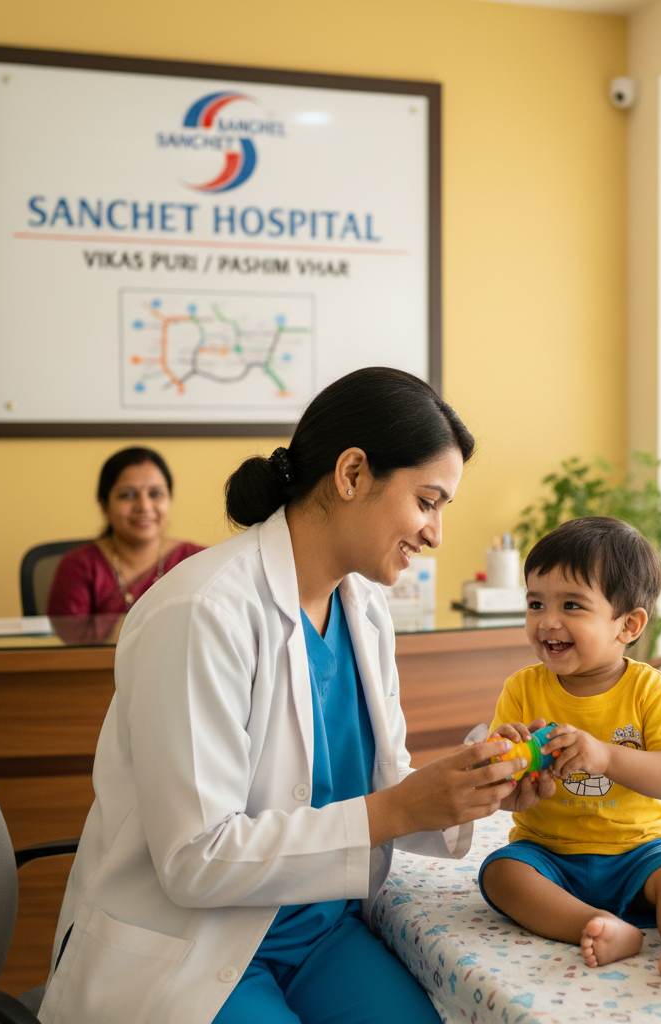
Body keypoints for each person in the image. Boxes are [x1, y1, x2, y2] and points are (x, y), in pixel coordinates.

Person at [39, 368, 524, 1024]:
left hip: (321, 931)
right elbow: (195, 860)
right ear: (352, 474)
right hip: (193, 944)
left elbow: (381, 785)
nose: (436, 532)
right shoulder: (203, 611)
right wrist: (397, 809)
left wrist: (475, 787)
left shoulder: (366, 607)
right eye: (428, 501)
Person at [478, 516, 661, 978]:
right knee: (501, 874)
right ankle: (599, 926)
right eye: (536, 603)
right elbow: (498, 792)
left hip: (640, 850)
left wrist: (605, 755)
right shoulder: (521, 689)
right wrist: (506, 761)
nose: (548, 621)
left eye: (573, 606)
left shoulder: (650, 690)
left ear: (628, 624)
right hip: (548, 852)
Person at [47, 447, 205, 616]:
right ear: (104, 505)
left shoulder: (198, 561)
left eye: (156, 493)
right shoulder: (79, 566)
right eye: (127, 495)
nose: (144, 506)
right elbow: (67, 639)